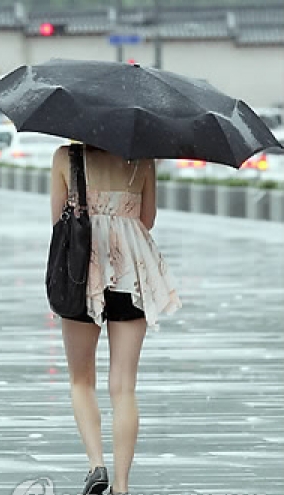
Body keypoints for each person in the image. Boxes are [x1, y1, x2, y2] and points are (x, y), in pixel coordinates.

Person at [49, 144, 181, 495]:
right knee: (124, 386)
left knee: (81, 380)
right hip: (132, 274)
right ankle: (122, 487)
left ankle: (97, 465)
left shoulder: (66, 157)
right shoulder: (142, 157)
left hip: (82, 273)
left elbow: (56, 220)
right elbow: (147, 219)